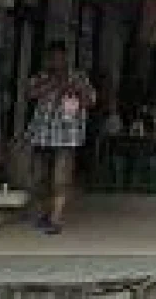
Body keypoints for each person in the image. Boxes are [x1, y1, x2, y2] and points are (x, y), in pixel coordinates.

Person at [26, 41, 96, 235]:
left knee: (61, 178)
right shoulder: (41, 77)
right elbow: (30, 93)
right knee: (39, 178)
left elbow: (91, 100)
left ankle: (55, 218)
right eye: (52, 57)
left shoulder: (79, 77)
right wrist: (52, 83)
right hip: (42, 134)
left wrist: (75, 89)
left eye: (60, 57)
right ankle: (43, 214)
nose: (56, 61)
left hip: (67, 136)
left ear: (66, 58)